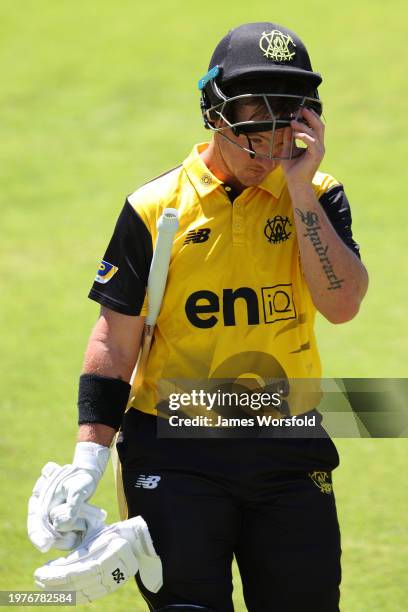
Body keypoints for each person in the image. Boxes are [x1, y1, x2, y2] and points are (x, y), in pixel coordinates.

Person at [32, 22, 369, 612]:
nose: (269, 147)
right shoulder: (154, 209)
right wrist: (88, 461)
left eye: (284, 120)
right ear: (216, 114)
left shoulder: (317, 192)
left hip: (289, 445)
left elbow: (342, 306)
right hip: (174, 448)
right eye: (253, 127)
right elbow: (115, 342)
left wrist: (300, 190)